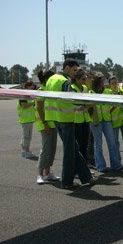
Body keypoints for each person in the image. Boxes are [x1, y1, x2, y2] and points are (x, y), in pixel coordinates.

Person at [45, 59, 95, 188]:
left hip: (56, 118)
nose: (74, 73)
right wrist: (87, 103)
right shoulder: (64, 81)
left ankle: (86, 176)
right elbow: (73, 98)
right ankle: (67, 182)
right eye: (73, 70)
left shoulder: (51, 79)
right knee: (70, 152)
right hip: (65, 119)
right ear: (66, 67)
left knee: (74, 148)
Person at [88, 72, 122, 172]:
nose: (104, 82)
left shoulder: (108, 91)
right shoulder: (90, 93)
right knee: (98, 143)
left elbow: (115, 104)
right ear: (97, 81)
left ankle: (116, 165)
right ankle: (101, 166)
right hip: (95, 121)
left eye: (103, 80)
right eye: (102, 80)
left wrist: (108, 111)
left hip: (107, 120)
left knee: (112, 143)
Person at [34, 69, 59, 184]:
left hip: (54, 123)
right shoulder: (41, 91)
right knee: (46, 149)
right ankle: (40, 174)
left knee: (52, 149)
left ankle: (48, 173)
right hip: (45, 125)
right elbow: (39, 108)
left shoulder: (50, 90)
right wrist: (45, 124)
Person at [105, 76, 123, 164]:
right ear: (109, 85)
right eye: (112, 83)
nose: (115, 85)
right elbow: (107, 110)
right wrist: (115, 106)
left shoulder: (121, 92)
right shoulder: (108, 95)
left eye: (116, 83)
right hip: (113, 122)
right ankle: (117, 161)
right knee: (115, 143)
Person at [71, 68, 91, 165]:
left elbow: (87, 103)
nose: (85, 80)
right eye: (83, 79)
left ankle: (85, 168)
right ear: (77, 79)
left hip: (86, 119)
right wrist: (86, 105)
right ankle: (78, 169)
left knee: (85, 145)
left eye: (85, 78)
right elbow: (76, 106)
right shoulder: (72, 88)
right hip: (76, 121)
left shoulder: (85, 88)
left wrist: (85, 106)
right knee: (78, 146)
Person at [17, 80, 38, 160]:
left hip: (27, 119)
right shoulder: (23, 95)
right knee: (27, 136)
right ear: (27, 87)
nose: (33, 88)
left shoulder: (26, 95)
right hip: (26, 119)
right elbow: (24, 105)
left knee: (25, 136)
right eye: (32, 86)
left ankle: (24, 151)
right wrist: (33, 103)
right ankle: (27, 151)